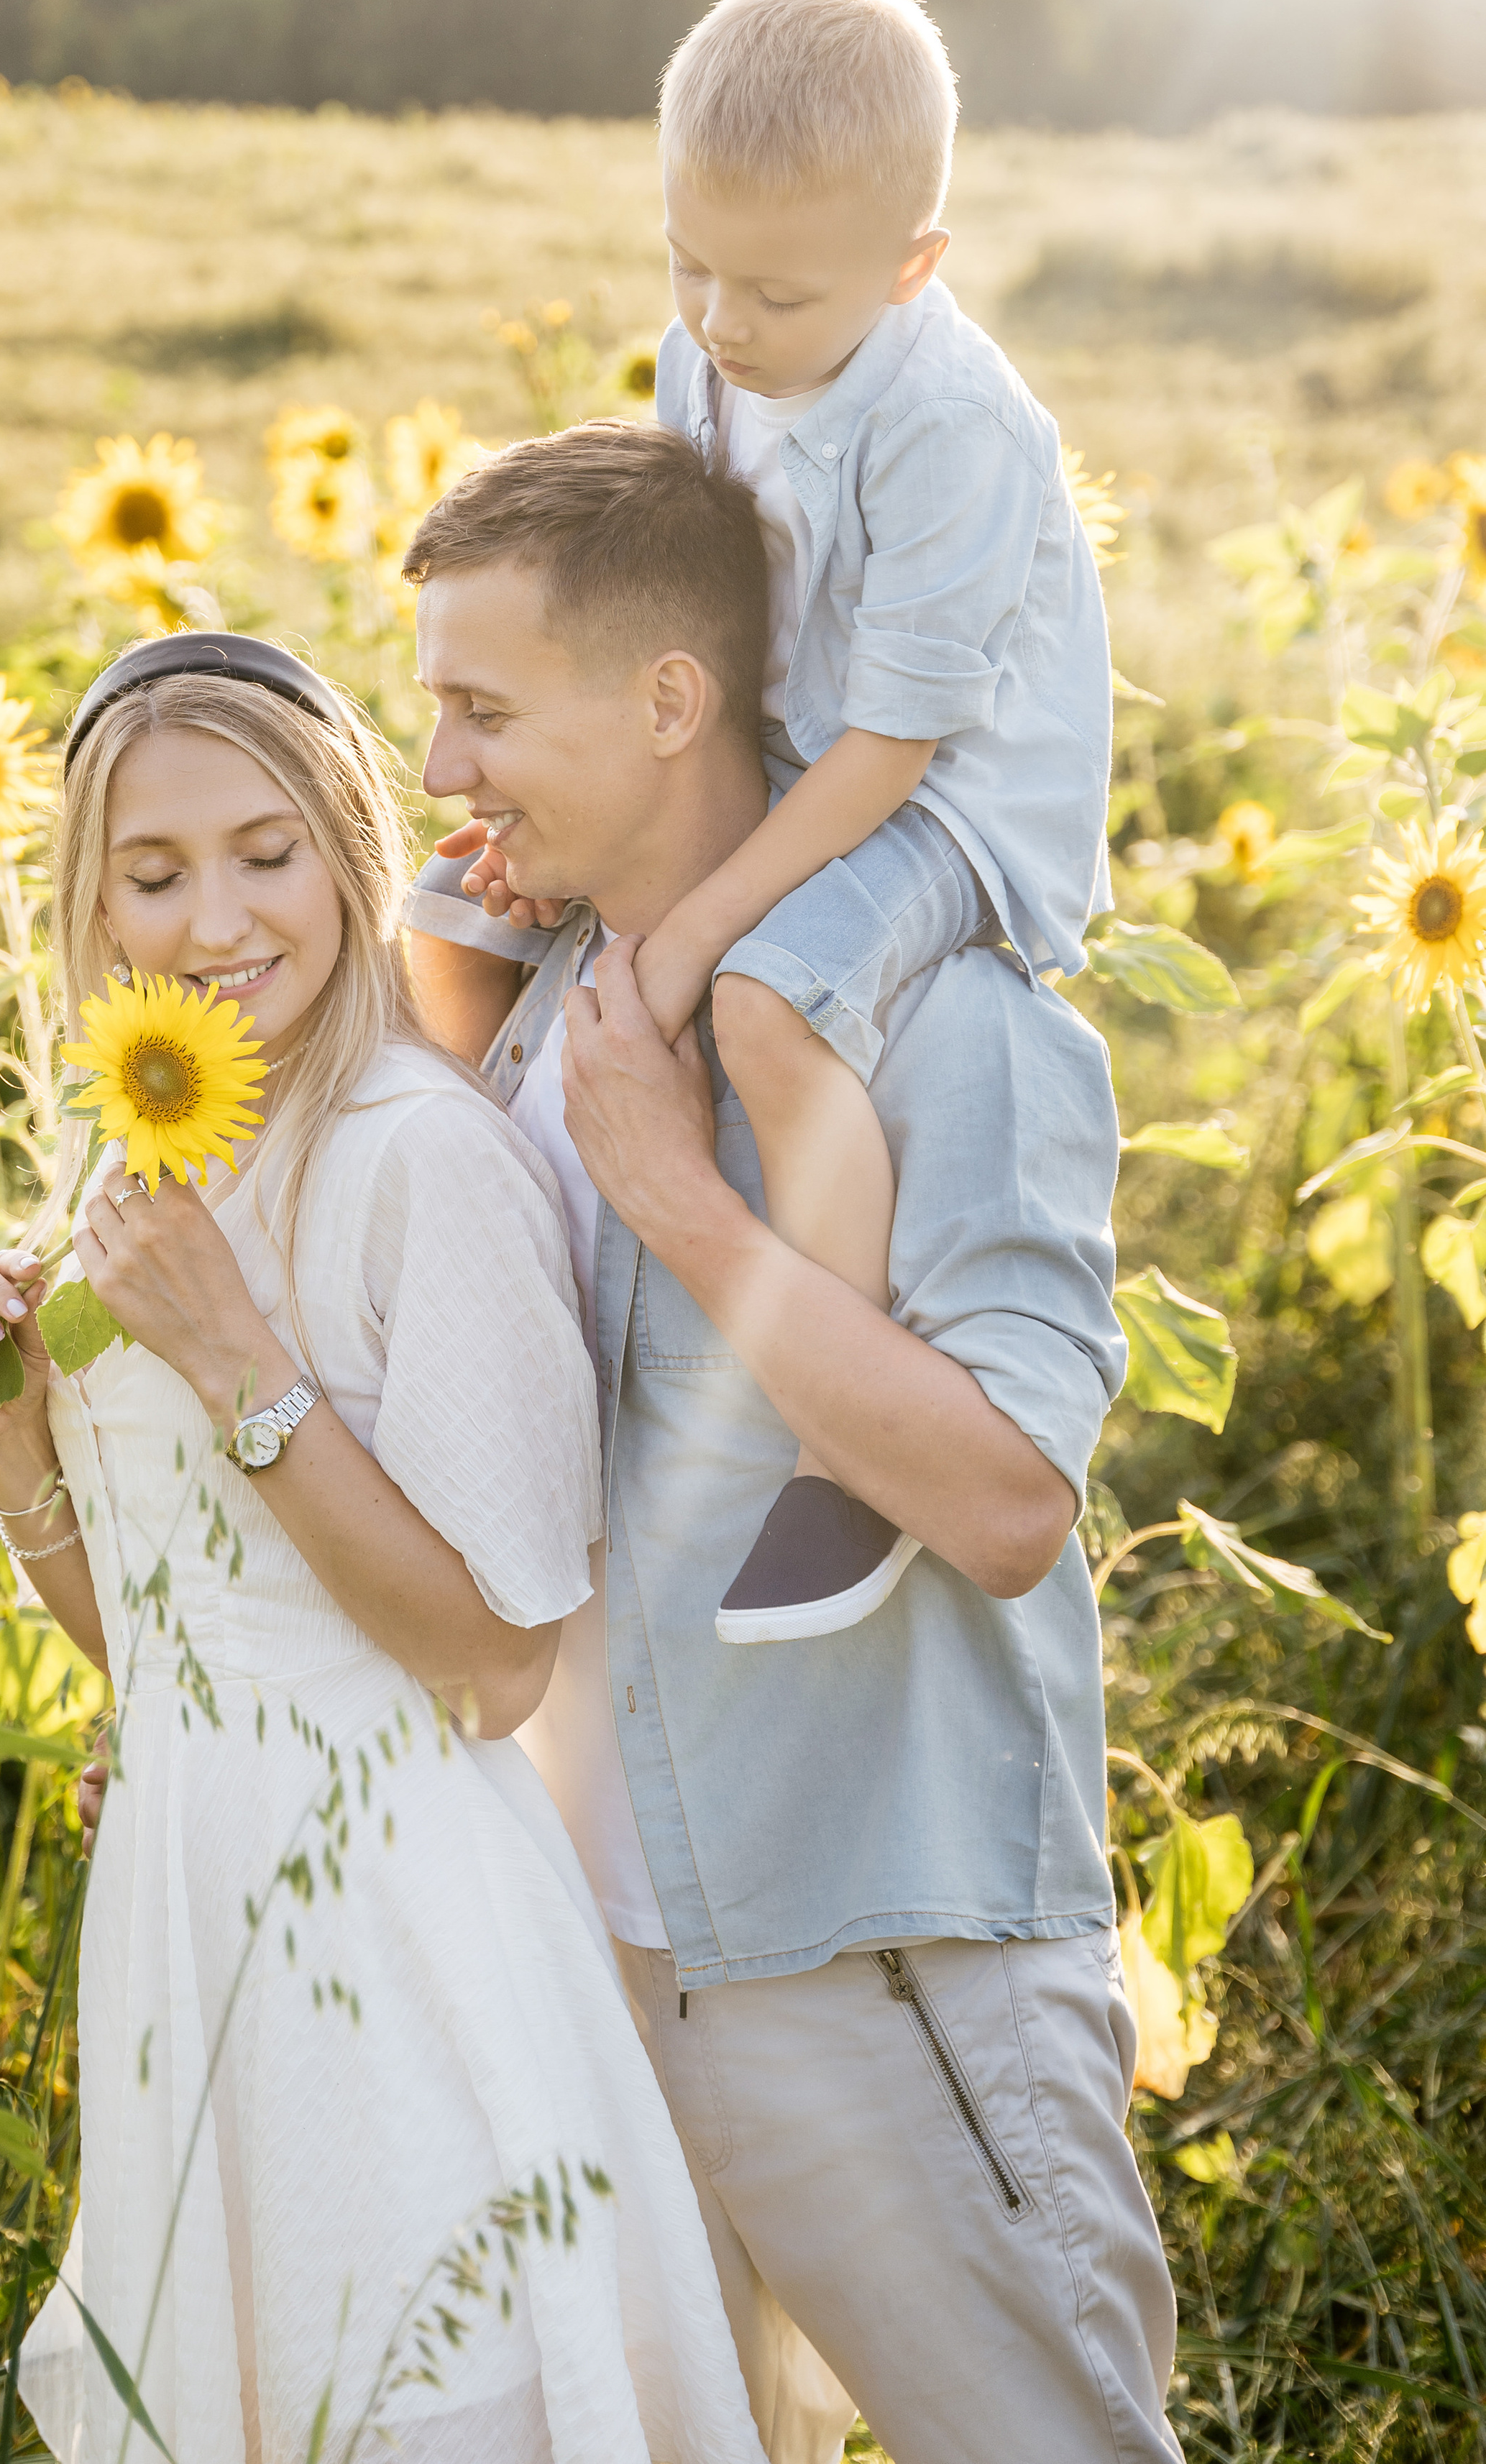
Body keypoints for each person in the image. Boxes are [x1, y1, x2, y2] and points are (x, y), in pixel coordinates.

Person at [402, 425, 1183, 2464]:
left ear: (672, 700)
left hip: (879, 1969)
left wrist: (687, 1204)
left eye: (486, 713)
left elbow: (1005, 1501)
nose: (443, 768)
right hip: (604, 1966)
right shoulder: (535, 1003)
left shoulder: (944, 1021)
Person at [0, 632, 768, 2464]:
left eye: (265, 853)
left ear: (351, 850)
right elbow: (172, 1646)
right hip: (187, 1911)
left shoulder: (416, 1159)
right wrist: (10, 1439)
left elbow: (490, 1669)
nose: (215, 921)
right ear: (91, 903)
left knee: (418, 2405)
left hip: (392, 1928)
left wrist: (236, 1359)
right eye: (153, 873)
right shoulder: (140, 1163)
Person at [436, 0, 1112, 1645]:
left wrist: (692, 935)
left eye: (775, 295)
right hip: (821, 764)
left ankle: (839, 1450)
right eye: (688, 264)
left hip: (955, 806)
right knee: (484, 927)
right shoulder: (712, 352)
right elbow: (706, 617)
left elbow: (893, 749)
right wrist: (593, 818)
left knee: (762, 1002)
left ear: (912, 266)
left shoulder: (947, 425)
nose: (721, 325)